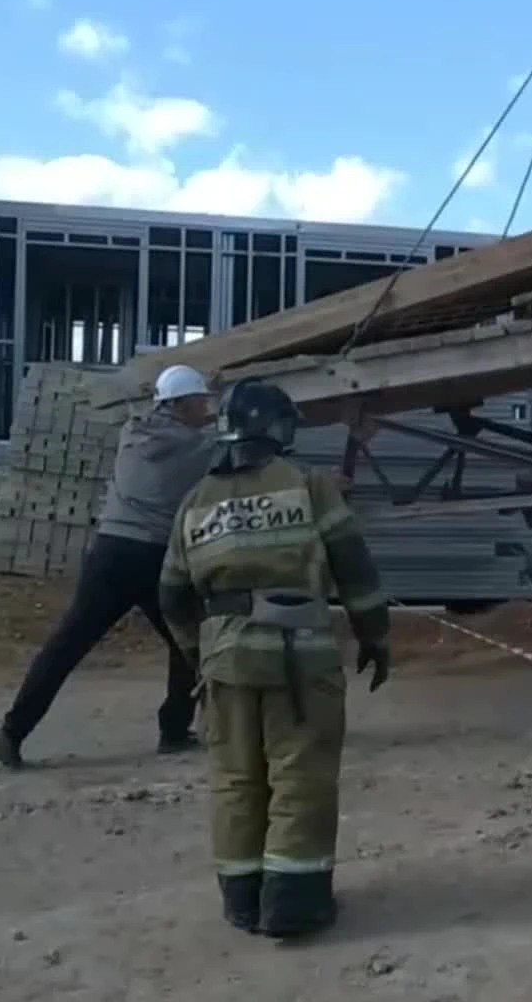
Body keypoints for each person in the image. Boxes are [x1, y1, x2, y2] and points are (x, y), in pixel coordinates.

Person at [157, 377, 391, 939]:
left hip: (226, 659)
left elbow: (171, 592)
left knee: (236, 779)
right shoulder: (308, 484)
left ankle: (241, 898)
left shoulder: (195, 500)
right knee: (300, 774)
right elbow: (353, 565)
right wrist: (375, 635)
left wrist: (198, 653)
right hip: (299, 657)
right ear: (277, 429)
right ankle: (294, 901)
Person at [0, 365, 219, 769]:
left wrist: (211, 406)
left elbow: (199, 428)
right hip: (152, 556)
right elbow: (233, 450)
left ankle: (12, 732)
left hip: (109, 551)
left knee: (67, 645)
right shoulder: (191, 446)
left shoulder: (136, 431)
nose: (208, 407)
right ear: (180, 405)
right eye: (202, 400)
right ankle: (174, 730)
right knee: (189, 641)